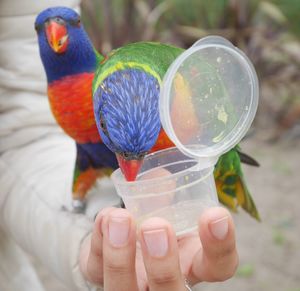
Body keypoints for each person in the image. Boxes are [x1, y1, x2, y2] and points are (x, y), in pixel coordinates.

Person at [0, 0, 238, 290]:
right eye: (43, 29)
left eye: (72, 24)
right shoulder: (68, 95)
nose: (55, 32)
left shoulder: (116, 88)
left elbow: (24, 135)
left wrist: (97, 233)